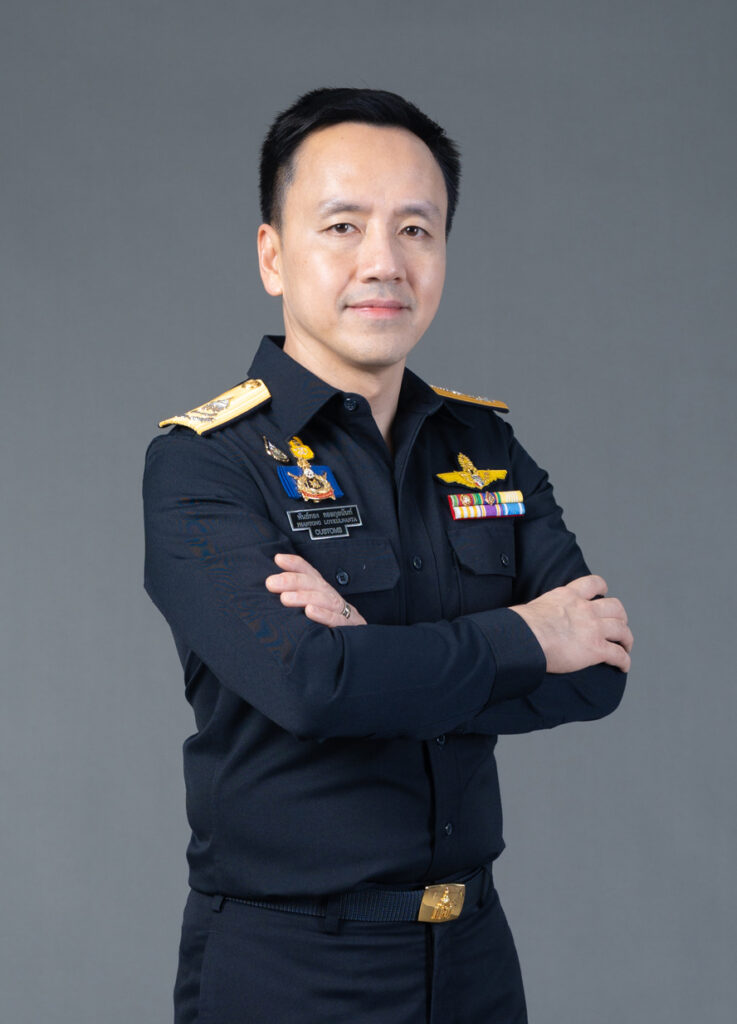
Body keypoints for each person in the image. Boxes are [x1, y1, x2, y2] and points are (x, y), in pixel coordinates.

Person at [142, 87, 632, 1024]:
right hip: (291, 967)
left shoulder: (483, 446)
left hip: (474, 958)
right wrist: (526, 635)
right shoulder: (205, 463)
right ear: (272, 255)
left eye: (416, 229)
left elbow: (598, 669)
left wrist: (376, 658)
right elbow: (312, 686)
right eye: (342, 226)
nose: (384, 261)